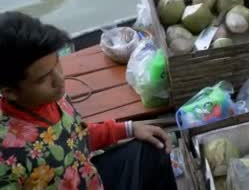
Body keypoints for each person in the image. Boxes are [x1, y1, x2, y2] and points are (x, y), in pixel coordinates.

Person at [0, 11, 177, 190]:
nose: (59, 79)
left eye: (56, 63)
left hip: (87, 176)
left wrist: (129, 128)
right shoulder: (7, 158)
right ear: (11, 92)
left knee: (153, 147)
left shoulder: (50, 97)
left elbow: (76, 136)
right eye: (43, 78)